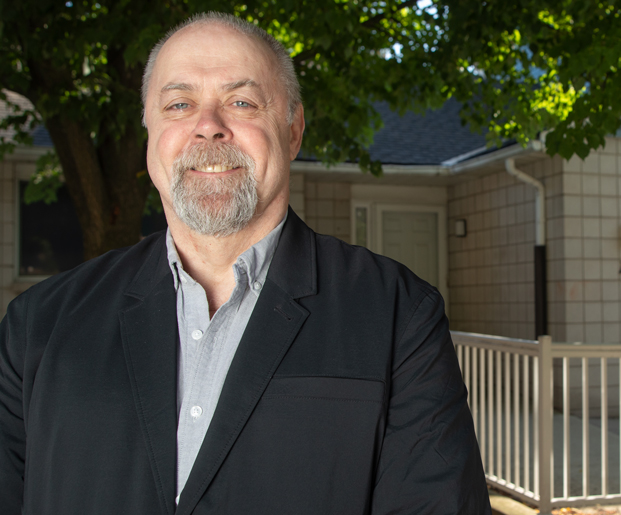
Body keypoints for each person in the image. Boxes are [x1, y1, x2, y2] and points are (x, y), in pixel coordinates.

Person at [0, 11, 490, 515]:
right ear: (148, 132)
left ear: (294, 130)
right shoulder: (37, 326)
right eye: (179, 103)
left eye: (241, 101)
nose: (208, 127)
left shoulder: (398, 316)